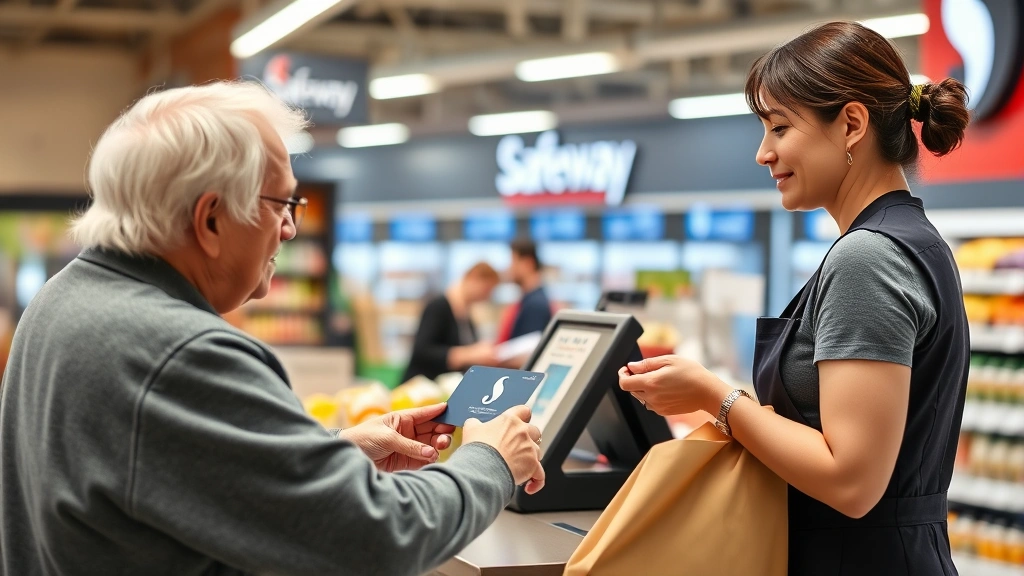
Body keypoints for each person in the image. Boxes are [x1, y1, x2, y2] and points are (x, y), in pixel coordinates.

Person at [0, 81, 546, 576]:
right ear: (210, 219)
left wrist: (330, 455)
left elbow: (163, 478)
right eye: (282, 202)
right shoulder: (183, 353)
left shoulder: (63, 299)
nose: (289, 228)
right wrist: (488, 458)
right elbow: (378, 538)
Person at [619, 21, 970, 576]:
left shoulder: (868, 259)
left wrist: (715, 396)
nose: (763, 153)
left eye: (780, 128)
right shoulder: (911, 239)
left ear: (852, 124)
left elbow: (850, 480)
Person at [403, 262, 501, 382]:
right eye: (487, 290)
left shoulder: (466, 315)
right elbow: (422, 351)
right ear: (474, 278)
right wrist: (469, 354)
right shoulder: (438, 307)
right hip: (423, 390)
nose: (487, 296)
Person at [497, 239, 553, 343]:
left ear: (528, 263)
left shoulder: (535, 304)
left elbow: (526, 350)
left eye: (513, 261)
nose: (510, 268)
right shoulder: (529, 299)